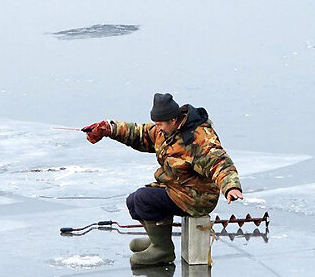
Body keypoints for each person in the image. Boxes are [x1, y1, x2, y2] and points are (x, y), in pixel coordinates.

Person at [83, 92, 243, 266]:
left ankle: (163, 250)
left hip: (197, 197)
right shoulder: (166, 130)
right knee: (133, 202)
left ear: (173, 121)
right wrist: (108, 128)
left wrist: (230, 186)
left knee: (143, 199)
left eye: (160, 124)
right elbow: (139, 133)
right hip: (177, 188)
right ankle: (157, 240)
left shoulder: (198, 138)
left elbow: (219, 162)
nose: (157, 127)